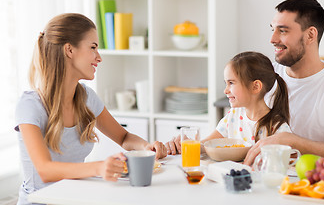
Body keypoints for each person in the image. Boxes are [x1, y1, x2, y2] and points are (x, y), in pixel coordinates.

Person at [14, 13, 167, 205]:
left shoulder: (85, 98)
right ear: (69, 50)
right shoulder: (30, 105)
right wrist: (100, 167)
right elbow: (45, 170)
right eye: (93, 47)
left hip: (75, 199)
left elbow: (124, 137)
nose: (99, 57)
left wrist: (146, 148)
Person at [244, 0, 324, 165]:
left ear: (310, 35)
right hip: (262, 178)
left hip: (309, 184)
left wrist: (290, 141)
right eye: (273, 29)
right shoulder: (266, 74)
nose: (273, 39)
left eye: (282, 31)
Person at [165, 51, 292, 155]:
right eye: (226, 83)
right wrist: (188, 143)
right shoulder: (233, 116)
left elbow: (287, 164)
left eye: (231, 83)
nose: (226, 90)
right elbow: (207, 145)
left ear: (256, 86)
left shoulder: (278, 128)